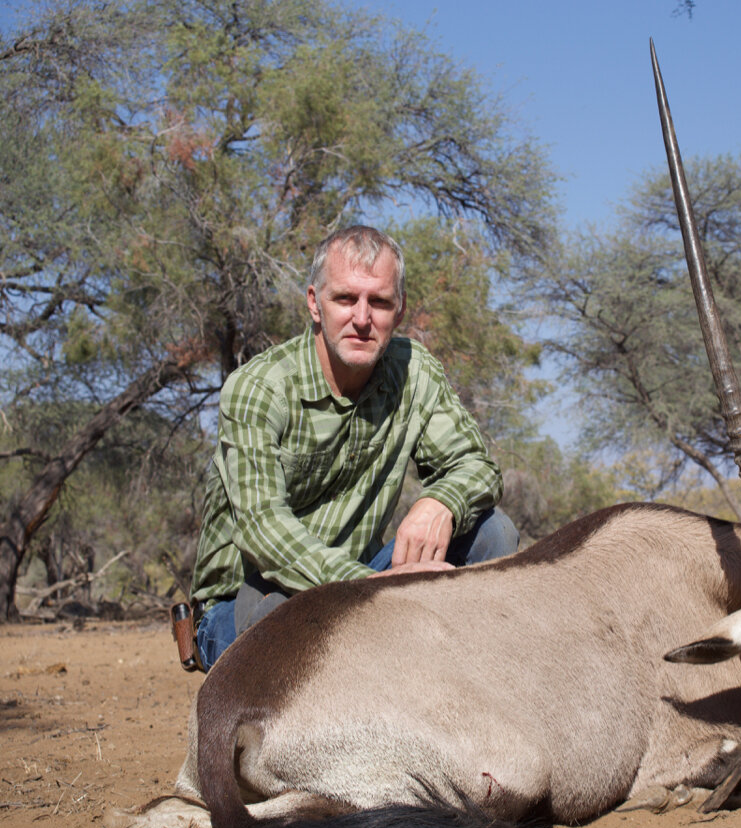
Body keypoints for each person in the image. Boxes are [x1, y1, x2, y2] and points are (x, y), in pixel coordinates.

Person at [190, 225, 518, 670]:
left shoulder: (415, 373)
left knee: (491, 533)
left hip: (366, 588)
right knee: (287, 629)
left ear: (398, 311)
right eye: (345, 299)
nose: (362, 319)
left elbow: (477, 466)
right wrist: (381, 590)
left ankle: (466, 697)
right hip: (249, 598)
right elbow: (263, 532)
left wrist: (442, 501)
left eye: (379, 302)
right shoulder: (258, 388)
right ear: (314, 304)